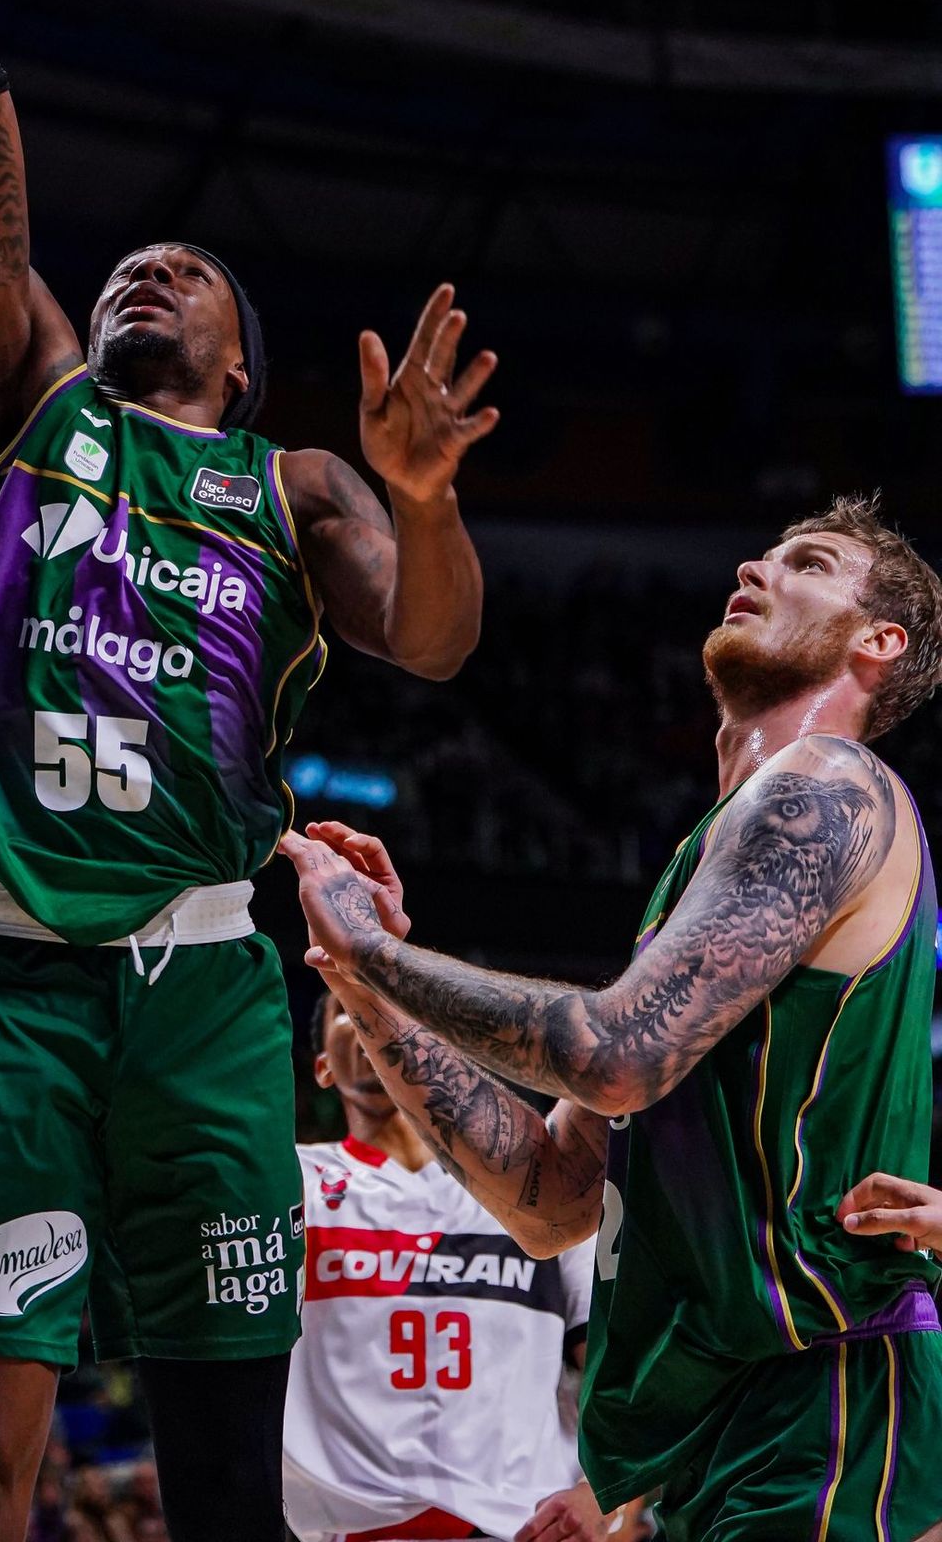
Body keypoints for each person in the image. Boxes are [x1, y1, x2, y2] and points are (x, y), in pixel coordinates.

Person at [0, 0, 499, 1542]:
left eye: (191, 272)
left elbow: (435, 645)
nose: (148, 269)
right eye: (131, 261)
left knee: (223, 1485)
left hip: (207, 995)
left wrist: (426, 500)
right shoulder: (15, 399)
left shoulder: (290, 482)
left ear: (247, 350)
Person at [282, 498, 942, 1542]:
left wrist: (383, 956)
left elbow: (614, 1056)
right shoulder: (703, 871)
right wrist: (363, 987)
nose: (755, 564)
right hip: (703, 1424)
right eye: (762, 549)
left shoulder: (826, 789)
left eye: (807, 562)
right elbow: (548, 1202)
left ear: (878, 641)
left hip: (820, 1394)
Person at [286, 991, 600, 1542]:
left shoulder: (536, 1188)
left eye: (393, 1008)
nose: (374, 1021)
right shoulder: (292, 1184)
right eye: (349, 1009)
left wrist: (607, 1495)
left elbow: (623, 1375)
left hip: (522, 1526)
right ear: (322, 1069)